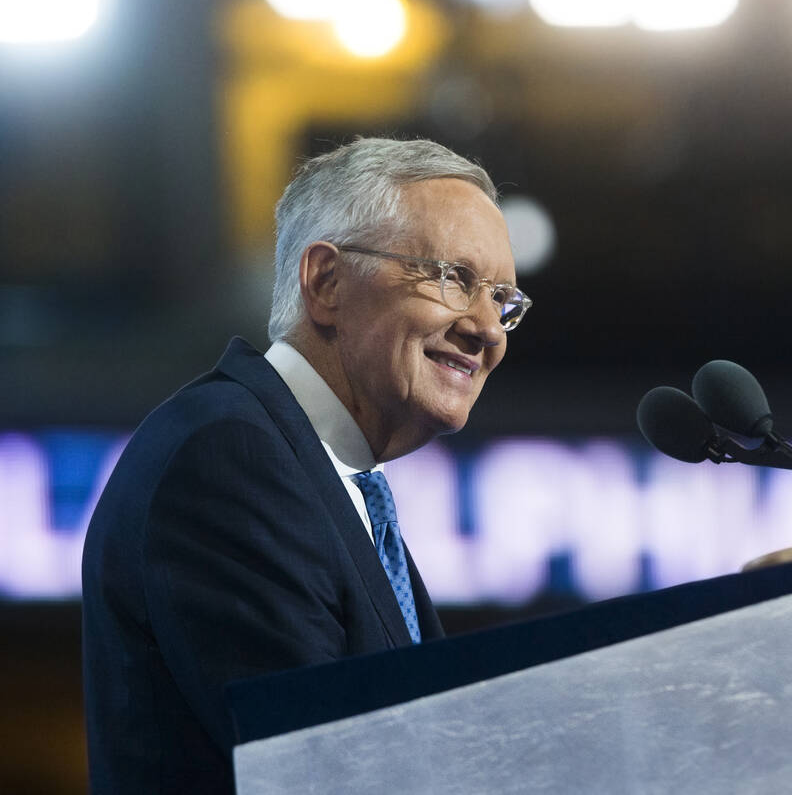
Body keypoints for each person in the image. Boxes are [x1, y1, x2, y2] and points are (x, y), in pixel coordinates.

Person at [81, 138, 531, 794]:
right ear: (325, 282)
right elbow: (337, 770)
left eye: (503, 300)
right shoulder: (228, 460)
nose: (488, 329)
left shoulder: (329, 480)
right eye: (453, 278)